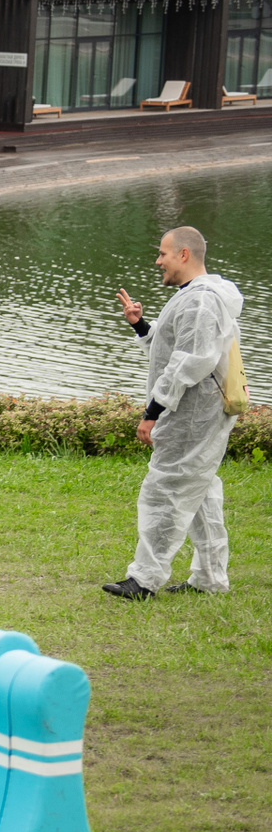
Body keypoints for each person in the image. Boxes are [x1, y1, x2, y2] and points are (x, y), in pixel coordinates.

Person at [103, 226, 245, 599]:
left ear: (184, 254)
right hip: (195, 411)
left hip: (192, 414)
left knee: (164, 489)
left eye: (163, 253)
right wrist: (140, 325)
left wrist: (152, 411)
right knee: (200, 489)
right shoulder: (195, 296)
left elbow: (190, 362)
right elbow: (172, 350)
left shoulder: (201, 302)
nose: (158, 261)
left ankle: (144, 580)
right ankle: (210, 579)